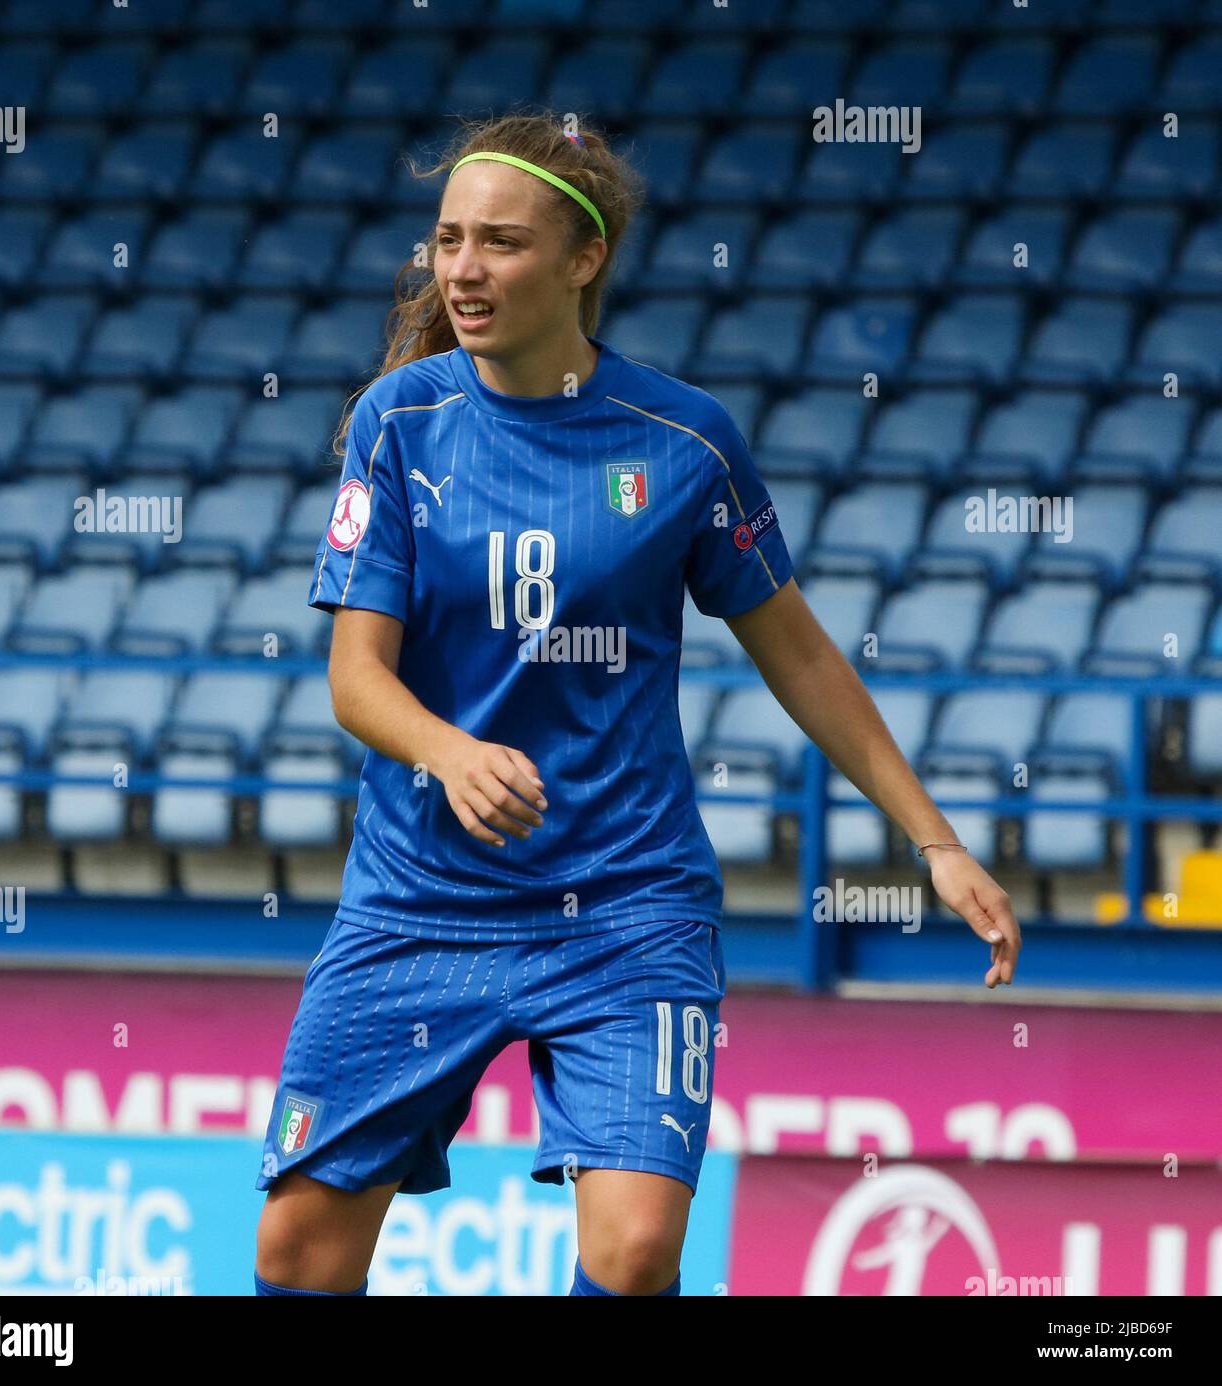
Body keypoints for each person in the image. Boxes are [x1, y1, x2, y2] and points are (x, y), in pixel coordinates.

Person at [253, 111, 1022, 1298]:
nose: (462, 269)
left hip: (623, 905)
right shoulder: (397, 425)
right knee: (295, 1250)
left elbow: (803, 657)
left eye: (501, 243)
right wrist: (452, 753)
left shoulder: (685, 444)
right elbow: (357, 677)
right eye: (448, 239)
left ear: (583, 259)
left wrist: (935, 842)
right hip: (419, 901)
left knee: (634, 1251)